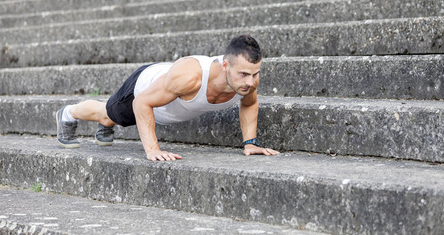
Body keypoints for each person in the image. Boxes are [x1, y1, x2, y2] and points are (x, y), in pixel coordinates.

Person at [55, 35, 280, 161]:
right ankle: (67, 114)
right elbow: (142, 102)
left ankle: (106, 126)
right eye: (243, 74)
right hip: (142, 88)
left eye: (255, 74)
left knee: (112, 120)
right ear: (225, 65)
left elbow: (249, 104)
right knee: (106, 116)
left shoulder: (247, 80)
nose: (250, 82)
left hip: (164, 93)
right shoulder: (191, 77)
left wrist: (250, 143)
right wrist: (153, 150)